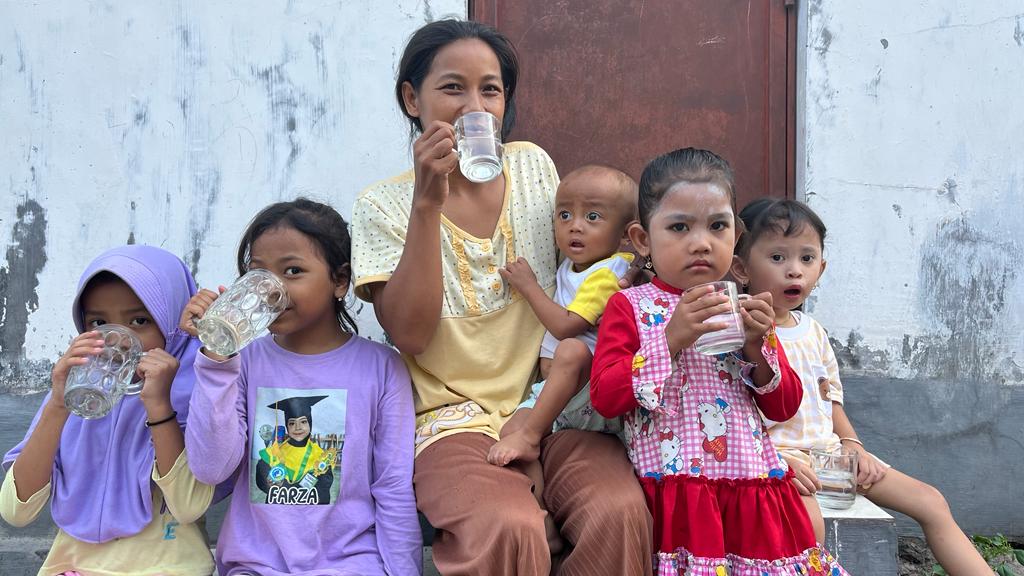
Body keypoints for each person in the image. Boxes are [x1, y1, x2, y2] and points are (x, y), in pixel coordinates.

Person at [351, 18, 652, 575]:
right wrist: (426, 203)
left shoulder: (533, 166)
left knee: (619, 510)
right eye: (452, 88)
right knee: (510, 525)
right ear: (412, 99)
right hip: (451, 419)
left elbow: (580, 273)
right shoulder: (382, 206)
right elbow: (411, 335)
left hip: (554, 407)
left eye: (490, 89)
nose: (475, 107)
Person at [590, 148, 850, 574]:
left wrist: (755, 345)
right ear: (642, 240)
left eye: (717, 226)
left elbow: (784, 405)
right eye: (678, 227)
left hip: (752, 489)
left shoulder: (744, 309)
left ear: (736, 234)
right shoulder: (631, 306)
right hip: (680, 496)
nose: (701, 242)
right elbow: (605, 395)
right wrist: (671, 338)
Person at [731, 198, 991, 576]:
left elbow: (829, 399)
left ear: (822, 267)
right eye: (777, 258)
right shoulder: (739, 331)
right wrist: (773, 462)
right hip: (779, 463)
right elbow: (729, 410)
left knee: (931, 501)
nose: (794, 272)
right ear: (741, 268)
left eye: (806, 259)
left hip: (830, 457)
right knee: (808, 530)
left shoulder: (813, 331)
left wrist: (854, 447)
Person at [182, 199, 420, 576]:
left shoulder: (382, 368)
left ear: (340, 281)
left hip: (352, 565)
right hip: (256, 565)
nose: (271, 290)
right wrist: (217, 356)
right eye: (257, 274)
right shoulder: (240, 362)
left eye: (293, 271)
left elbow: (392, 486)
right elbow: (211, 468)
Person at [0, 245, 217, 576]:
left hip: (169, 568)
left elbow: (188, 507)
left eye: (140, 320)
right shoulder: (71, 397)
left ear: (172, 325)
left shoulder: (196, 392)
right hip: (71, 568)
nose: (120, 339)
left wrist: (159, 404)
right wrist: (58, 404)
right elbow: (16, 512)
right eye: (99, 322)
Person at [485, 165, 637, 552]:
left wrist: (529, 286)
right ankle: (543, 516)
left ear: (625, 234)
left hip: (588, 392)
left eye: (592, 217)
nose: (575, 227)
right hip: (555, 393)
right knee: (508, 434)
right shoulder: (572, 267)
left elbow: (567, 325)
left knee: (572, 348)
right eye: (564, 215)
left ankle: (533, 438)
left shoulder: (609, 273)